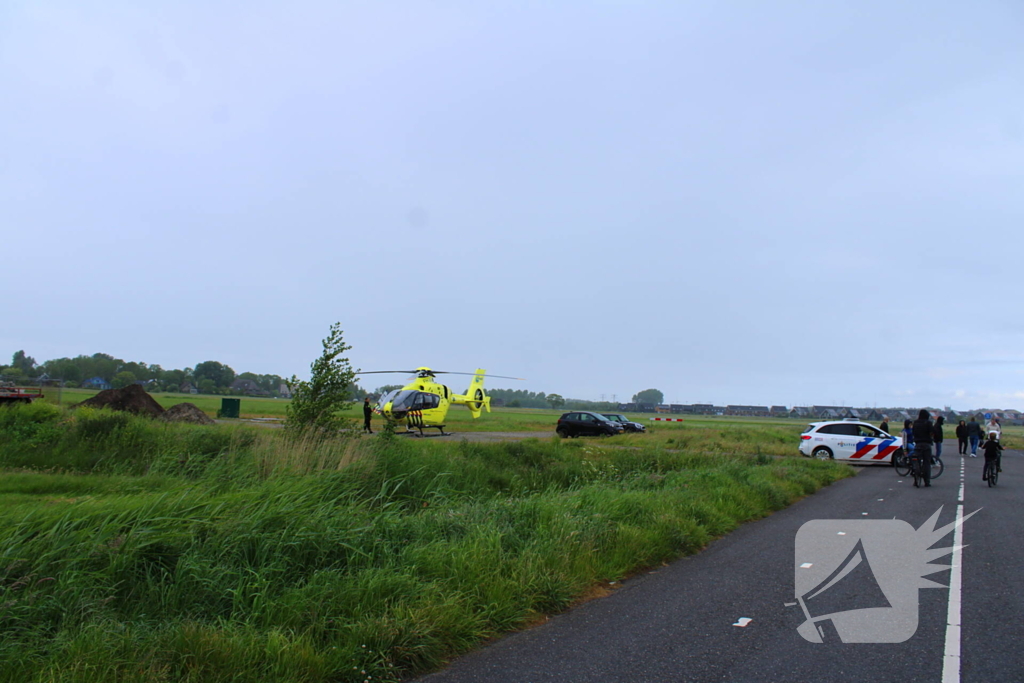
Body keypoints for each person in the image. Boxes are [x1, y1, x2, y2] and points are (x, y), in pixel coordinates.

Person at [911, 409, 934, 487]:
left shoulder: (915, 423)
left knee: (916, 461)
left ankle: (915, 480)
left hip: (918, 444)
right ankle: (927, 481)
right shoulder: (928, 423)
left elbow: (913, 432)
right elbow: (932, 433)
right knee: (927, 462)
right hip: (926, 444)